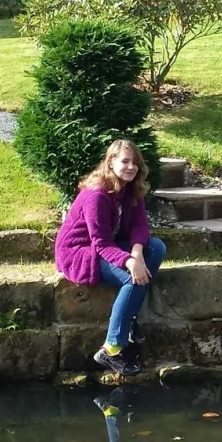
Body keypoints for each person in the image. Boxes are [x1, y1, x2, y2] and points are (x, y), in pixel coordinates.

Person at [55, 139, 166, 377]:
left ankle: (128, 320)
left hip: (108, 246)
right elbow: (101, 243)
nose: (131, 167)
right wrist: (129, 263)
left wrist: (136, 254)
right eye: (125, 161)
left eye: (135, 162)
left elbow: (140, 226)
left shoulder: (130, 188)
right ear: (111, 162)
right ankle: (112, 347)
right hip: (80, 252)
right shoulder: (97, 194)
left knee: (156, 248)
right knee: (131, 278)